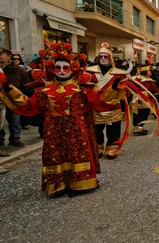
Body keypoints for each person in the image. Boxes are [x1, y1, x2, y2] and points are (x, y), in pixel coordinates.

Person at [0, 42, 125, 197]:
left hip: (76, 131)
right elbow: (26, 105)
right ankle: (57, 184)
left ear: (72, 68)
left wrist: (114, 89)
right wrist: (8, 87)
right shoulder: (44, 91)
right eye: (58, 68)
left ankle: (79, 182)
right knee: (55, 155)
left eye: (65, 68)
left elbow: (100, 102)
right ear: (52, 68)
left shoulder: (82, 89)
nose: (61, 71)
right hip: (53, 132)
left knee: (77, 154)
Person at [86, 43, 129, 159]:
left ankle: (112, 147)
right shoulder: (89, 72)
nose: (103, 59)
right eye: (101, 57)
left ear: (111, 58)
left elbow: (126, 91)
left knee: (114, 129)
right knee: (96, 129)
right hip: (95, 105)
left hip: (113, 105)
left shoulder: (119, 73)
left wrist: (118, 89)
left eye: (106, 57)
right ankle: (97, 146)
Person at [1, 53, 30, 147]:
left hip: (13, 98)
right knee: (0, 121)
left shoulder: (19, 70)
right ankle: (0, 140)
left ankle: (15, 139)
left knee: (15, 120)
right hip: (1, 99)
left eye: (1, 55)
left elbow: (26, 84)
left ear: (8, 57)